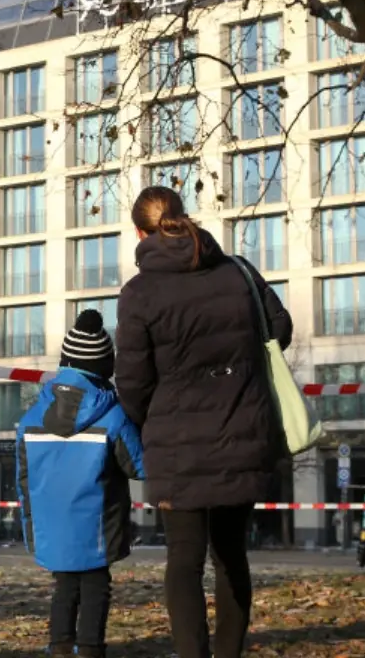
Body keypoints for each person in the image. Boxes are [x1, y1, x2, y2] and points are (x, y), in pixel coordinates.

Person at [114, 186, 293, 658]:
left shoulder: (139, 293)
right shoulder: (237, 271)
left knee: (184, 561)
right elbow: (281, 328)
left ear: (139, 231)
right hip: (243, 431)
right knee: (231, 554)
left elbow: (131, 380)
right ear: (184, 217)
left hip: (177, 444)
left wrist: (152, 420)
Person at [17, 309, 145, 658]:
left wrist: (32, 523)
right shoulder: (113, 414)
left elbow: (23, 478)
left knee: (64, 585)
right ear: (106, 367)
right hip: (97, 524)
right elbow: (138, 467)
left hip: (52, 522)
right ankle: (89, 648)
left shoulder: (30, 418)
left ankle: (59, 646)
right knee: (95, 586)